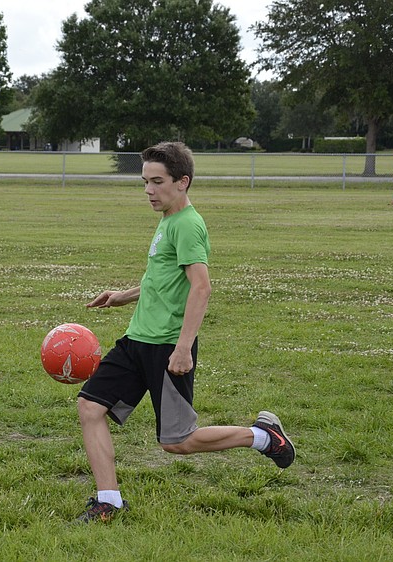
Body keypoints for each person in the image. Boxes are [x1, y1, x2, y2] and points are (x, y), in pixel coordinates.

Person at [74, 141, 295, 523]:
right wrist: (123, 296)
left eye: (156, 182)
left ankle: (262, 437)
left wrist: (183, 348)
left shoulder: (188, 225)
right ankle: (108, 501)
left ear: (182, 182)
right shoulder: (168, 220)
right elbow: (164, 279)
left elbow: (200, 286)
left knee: (176, 442)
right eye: (144, 182)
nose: (148, 191)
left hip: (165, 347)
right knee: (90, 407)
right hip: (136, 339)